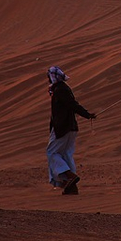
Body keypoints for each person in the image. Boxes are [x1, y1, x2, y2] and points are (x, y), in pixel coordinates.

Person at [46, 66, 96, 195]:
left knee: (52, 153)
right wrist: (87, 115)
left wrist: (86, 114)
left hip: (63, 127)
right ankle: (71, 187)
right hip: (69, 127)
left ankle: (69, 177)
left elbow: (72, 104)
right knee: (66, 154)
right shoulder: (62, 88)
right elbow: (72, 105)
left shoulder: (60, 89)